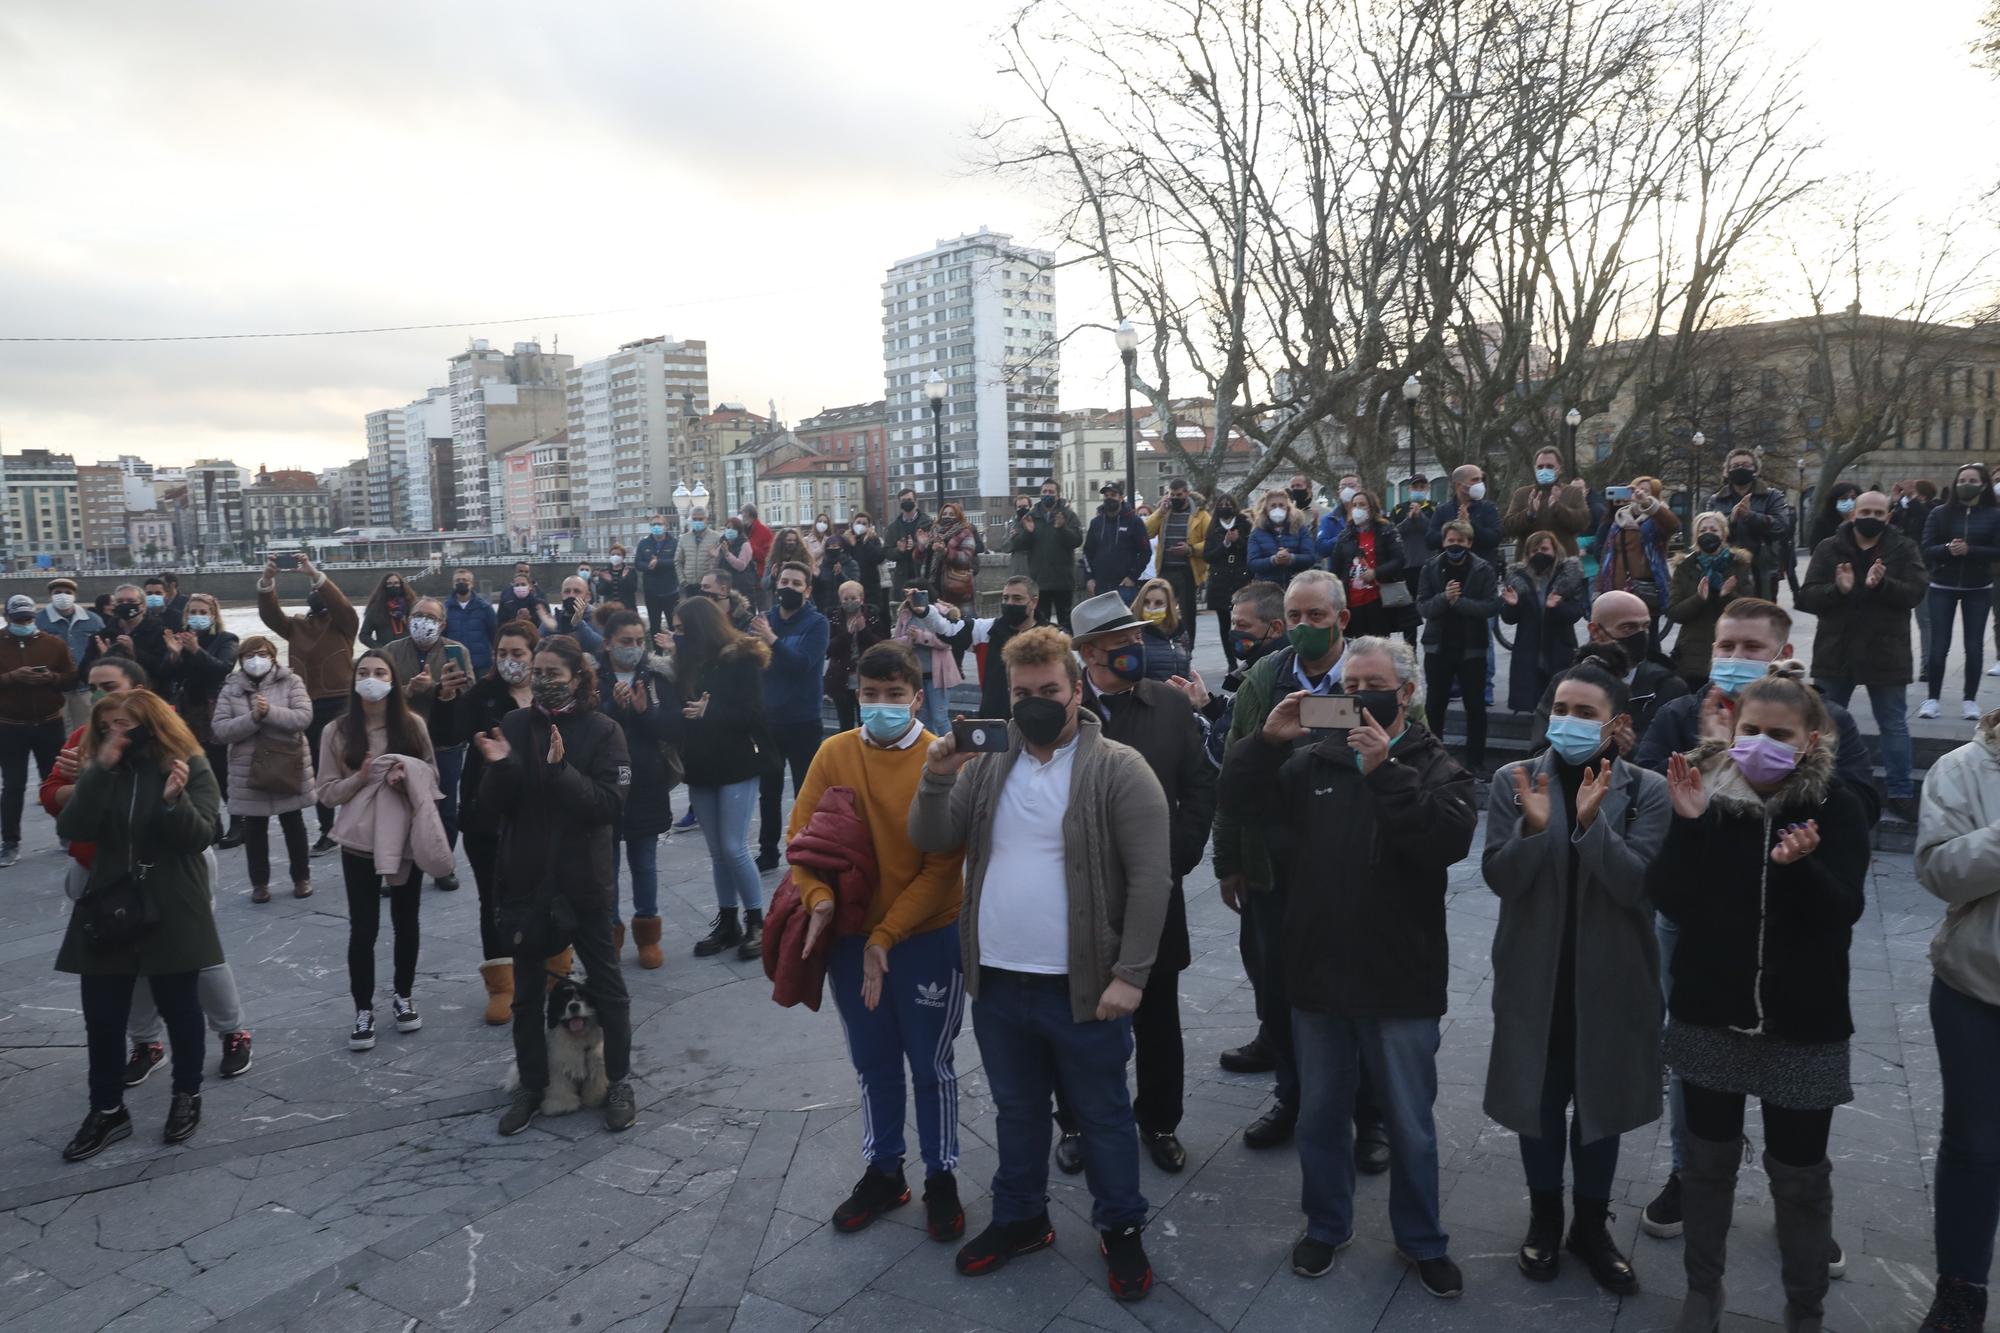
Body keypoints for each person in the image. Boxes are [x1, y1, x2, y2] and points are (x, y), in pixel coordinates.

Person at [909, 625, 1170, 1301]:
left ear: (1075, 689)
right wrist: (937, 777)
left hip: (1084, 987)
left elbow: (1151, 880)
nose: (1035, 703)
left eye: (1048, 690)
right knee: (1016, 1110)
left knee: (1105, 1114)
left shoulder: (1119, 768)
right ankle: (1022, 1216)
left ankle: (1121, 1228)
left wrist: (1131, 974)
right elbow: (934, 837)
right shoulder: (991, 764)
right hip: (998, 981)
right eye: (1022, 693)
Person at [1218, 635, 1477, 1298]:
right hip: (1320, 974)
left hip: (1401, 979)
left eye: (1373, 684)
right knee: (1320, 1116)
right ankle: (1325, 1225)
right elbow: (1243, 801)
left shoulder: (1439, 766)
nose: (1360, 697)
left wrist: (1385, 768)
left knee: (1411, 1125)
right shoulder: (1310, 762)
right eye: (1350, 685)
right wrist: (1266, 742)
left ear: (1407, 693)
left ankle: (1422, 1238)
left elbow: (1442, 841)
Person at [1649, 667, 1868, 1333]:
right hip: (1711, 1015)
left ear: (1808, 741)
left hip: (1803, 1026)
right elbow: (1670, 899)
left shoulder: (1836, 806)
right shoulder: (1705, 795)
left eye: (1779, 733)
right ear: (1732, 730)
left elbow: (1845, 911)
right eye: (1751, 731)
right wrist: (1688, 827)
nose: (1761, 744)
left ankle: (1805, 1308)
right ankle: (1702, 1291)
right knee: (1706, 1166)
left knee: (1800, 1178)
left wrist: (1800, 872)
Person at [1481, 661, 1670, 1293]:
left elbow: (1636, 885)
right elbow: (1501, 879)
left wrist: (1590, 825)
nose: (1567, 721)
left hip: (1611, 981)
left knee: (1600, 1109)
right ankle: (1545, 1217)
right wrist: (1536, 828)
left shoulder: (1645, 790)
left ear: (1616, 724)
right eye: (1561, 708)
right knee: (1537, 1103)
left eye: (1585, 713)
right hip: (1536, 977)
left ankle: (1590, 1225)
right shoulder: (1515, 779)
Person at [784, 640, 970, 1238]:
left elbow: (943, 865)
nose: (881, 706)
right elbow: (802, 840)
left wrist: (886, 937)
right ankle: (885, 1169)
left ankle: (942, 1174)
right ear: (855, 697)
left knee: (931, 1063)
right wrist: (818, 900)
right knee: (873, 1060)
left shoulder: (940, 760)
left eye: (894, 696)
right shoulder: (833, 752)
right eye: (870, 696)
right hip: (849, 939)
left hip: (926, 936)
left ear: (917, 698)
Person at [1210, 571, 1391, 1166]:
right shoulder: (1268, 676)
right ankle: (1290, 1096)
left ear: (1342, 618)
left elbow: (1415, 753)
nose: (1305, 627)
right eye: (1295, 617)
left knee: (1358, 990)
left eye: (1317, 616)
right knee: (1277, 987)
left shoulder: (1374, 675)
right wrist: (1230, 858)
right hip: (1276, 864)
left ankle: (1370, 1116)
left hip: (1353, 868)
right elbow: (1234, 774)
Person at [1054, 593, 1216, 1176]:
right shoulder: (1062, 714)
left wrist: (1178, 857)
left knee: (1157, 1016)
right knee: (1075, 1017)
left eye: (1137, 640)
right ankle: (1074, 1122)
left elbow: (1200, 787)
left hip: (1155, 892)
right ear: (1090, 654)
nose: (1138, 650)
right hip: (1079, 894)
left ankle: (1160, 1121)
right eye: (1123, 644)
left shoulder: (1170, 707)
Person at [43, 658, 255, 1089]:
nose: (102, 696)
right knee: (121, 961)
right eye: (94, 688)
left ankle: (230, 1031)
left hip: (171, 871)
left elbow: (199, 827)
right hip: (100, 869)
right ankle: (144, 1042)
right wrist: (92, 777)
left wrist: (152, 796)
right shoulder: (90, 739)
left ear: (139, 690)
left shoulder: (169, 745)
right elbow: (54, 798)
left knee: (194, 957)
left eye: (110, 686)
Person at [55, 688, 223, 1161]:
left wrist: (174, 802)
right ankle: (107, 1110)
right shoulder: (104, 767)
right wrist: (98, 770)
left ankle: (186, 1095)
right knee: (103, 1017)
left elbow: (202, 836)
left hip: (172, 900)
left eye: (125, 725)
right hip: (110, 903)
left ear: (151, 724)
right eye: (107, 725)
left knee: (180, 1009)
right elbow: (76, 827)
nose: (115, 733)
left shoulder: (187, 763)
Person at [484, 634, 637, 1137]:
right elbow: (489, 810)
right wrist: (502, 768)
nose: (545, 681)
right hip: (526, 878)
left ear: (578, 677)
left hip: (583, 880)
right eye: (539, 671)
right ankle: (532, 1084)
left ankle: (617, 1080)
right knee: (527, 995)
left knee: (609, 987)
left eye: (555, 673)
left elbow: (608, 806)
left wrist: (560, 770)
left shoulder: (604, 730)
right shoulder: (512, 725)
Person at [1913, 706, 2000, 1333]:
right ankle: (1961, 1289)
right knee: (1974, 1144)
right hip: (1976, 986)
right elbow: (1940, 871)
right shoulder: (1962, 768)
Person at [315, 650, 438, 1053]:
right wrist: (360, 779)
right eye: (364, 672)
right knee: (363, 926)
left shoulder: (413, 725)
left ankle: (403, 995)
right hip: (359, 840)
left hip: (404, 834)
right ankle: (363, 1008)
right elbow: (326, 792)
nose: (372, 679)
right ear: (353, 681)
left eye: (380, 672)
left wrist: (407, 779)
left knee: (407, 920)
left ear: (393, 679)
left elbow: (432, 776)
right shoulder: (336, 731)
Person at [1797, 490, 1927, 820]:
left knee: (1893, 724)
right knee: (1823, 722)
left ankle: (1900, 792)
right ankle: (1820, 784)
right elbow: (1808, 596)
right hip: (1835, 651)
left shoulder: (1903, 547)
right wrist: (1838, 590)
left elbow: (1915, 592)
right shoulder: (1829, 547)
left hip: (1886, 651)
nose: (1872, 517)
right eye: (1865, 511)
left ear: (1889, 516)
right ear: (1853, 514)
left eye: (1879, 512)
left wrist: (1883, 585)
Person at [667, 595, 771, 961]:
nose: (677, 636)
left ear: (699, 627)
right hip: (702, 763)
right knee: (716, 851)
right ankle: (728, 922)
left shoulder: (741, 659)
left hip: (736, 762)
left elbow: (755, 716)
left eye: (682, 629)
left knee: (733, 846)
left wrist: (711, 711)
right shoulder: (688, 662)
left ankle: (757, 921)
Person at [456, 621, 540, 1025]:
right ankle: (502, 983)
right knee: (493, 900)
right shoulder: (482, 696)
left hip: (539, 814)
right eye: (502, 653)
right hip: (486, 815)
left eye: (517, 653)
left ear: (534, 655)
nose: (509, 661)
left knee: (544, 893)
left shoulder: (548, 693)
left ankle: (551, 969)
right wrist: (440, 698)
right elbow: (449, 729)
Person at [257, 554, 358, 854]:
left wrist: (314, 573)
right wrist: (268, 579)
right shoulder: (296, 626)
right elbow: (270, 615)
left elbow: (341, 606)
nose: (315, 595)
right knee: (317, 771)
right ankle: (328, 830)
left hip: (341, 701)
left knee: (348, 765)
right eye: (312, 591)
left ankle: (356, 822)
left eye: (319, 590)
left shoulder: (344, 624)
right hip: (306, 705)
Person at [209, 637, 315, 903]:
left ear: (272, 656)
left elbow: (303, 717)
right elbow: (221, 730)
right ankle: (259, 883)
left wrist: (270, 713)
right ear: (241, 660)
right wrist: (252, 718)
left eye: (262, 654)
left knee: (293, 822)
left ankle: (301, 877)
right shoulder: (230, 689)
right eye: (250, 655)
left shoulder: (291, 681)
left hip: (285, 763)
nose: (256, 660)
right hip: (248, 768)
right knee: (254, 828)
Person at [595, 611, 673, 969]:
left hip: (646, 783)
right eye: (626, 642)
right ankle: (609, 932)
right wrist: (614, 706)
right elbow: (587, 727)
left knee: (644, 863)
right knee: (605, 867)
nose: (634, 648)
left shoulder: (656, 676)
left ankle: (648, 934)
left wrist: (644, 712)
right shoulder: (591, 677)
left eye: (640, 642)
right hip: (605, 783)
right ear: (608, 642)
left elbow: (670, 730)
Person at [382, 597, 473, 890]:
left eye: (431, 617)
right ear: (409, 619)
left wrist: (436, 689)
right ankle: (394, 865)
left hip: (445, 742)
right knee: (398, 806)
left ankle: (442, 865)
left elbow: (468, 690)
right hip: (403, 741)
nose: (424, 622)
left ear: (442, 624)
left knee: (445, 807)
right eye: (418, 615)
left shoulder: (456, 651)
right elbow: (378, 693)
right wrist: (409, 689)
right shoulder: (391, 651)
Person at [1530, 592, 1689, 756]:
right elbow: (1539, 751)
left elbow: (1672, 761)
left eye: (1645, 627)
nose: (1640, 636)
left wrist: (1629, 753)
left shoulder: (1667, 687)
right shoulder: (1564, 684)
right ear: (1596, 631)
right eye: (1628, 627)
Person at [753, 561, 830, 878]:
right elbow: (755, 665)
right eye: (784, 581)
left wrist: (772, 641)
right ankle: (768, 851)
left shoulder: (817, 623)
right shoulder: (764, 621)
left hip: (803, 721)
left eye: (796, 584)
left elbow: (802, 665)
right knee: (768, 791)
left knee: (805, 790)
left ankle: (807, 848)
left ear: (807, 590)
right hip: (769, 720)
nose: (788, 587)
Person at [1418, 520, 1502, 775]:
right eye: (1451, 541)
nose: (1456, 546)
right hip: (1438, 647)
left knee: (1475, 707)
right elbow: (1423, 607)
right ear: (1444, 542)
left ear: (1469, 543)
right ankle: (1433, 759)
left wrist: (1459, 602)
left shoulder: (1483, 568)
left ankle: (1475, 762)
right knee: (1435, 706)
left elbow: (1490, 606)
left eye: (1461, 541)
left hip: (1472, 648)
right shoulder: (1431, 567)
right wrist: (1444, 598)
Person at [0, 593, 77, 865]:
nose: (25, 622)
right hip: (10, 726)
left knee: (56, 781)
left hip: (49, 723)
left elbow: (71, 678)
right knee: (13, 786)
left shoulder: (54, 644)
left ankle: (67, 833)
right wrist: (11, 677)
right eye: (19, 619)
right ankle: (10, 842)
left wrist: (51, 678)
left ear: (35, 617)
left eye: (29, 618)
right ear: (8, 618)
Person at [1920, 462, 2000, 720]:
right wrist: (1947, 549)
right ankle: (1932, 698)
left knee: (1973, 646)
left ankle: (1970, 700)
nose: (1966, 484)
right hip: (1942, 584)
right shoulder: (1940, 513)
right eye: (1962, 479)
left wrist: (1971, 550)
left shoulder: (1994, 515)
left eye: (1973, 480)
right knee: (1938, 645)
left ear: (1984, 485)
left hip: (1978, 586)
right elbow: (1926, 547)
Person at [161, 592, 239, 845]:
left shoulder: (226, 639)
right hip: (188, 710)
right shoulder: (179, 639)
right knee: (196, 766)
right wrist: (174, 654)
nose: (197, 617)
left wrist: (196, 651)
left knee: (221, 767)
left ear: (213, 615)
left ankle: (239, 823)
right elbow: (166, 674)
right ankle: (211, 822)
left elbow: (222, 668)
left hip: (214, 707)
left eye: (202, 612)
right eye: (192, 612)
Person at [911, 577, 1038, 721]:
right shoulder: (986, 630)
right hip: (994, 718)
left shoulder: (1053, 637)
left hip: (1036, 717)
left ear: (1033, 602)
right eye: (1005, 598)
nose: (1009, 603)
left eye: (1017, 598)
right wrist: (926, 611)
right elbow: (949, 628)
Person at [1500, 531, 1587, 715]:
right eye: (1534, 550)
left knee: (1560, 704)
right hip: (1529, 651)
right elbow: (1508, 618)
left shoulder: (1567, 578)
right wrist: (1513, 605)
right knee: (1534, 706)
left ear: (1555, 551)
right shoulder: (1519, 578)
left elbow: (1577, 612)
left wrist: (1557, 606)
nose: (1539, 553)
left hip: (1559, 649)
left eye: (1544, 549)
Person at [1666, 513, 1753, 691]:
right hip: (1692, 657)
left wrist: (1727, 595)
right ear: (1696, 535)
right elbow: (1674, 612)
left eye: (1713, 529)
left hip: (1730, 653)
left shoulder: (1739, 564)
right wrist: (1699, 599)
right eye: (1703, 530)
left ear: (1723, 534)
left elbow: (1750, 610)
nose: (1708, 533)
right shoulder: (1685, 566)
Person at [1706, 448, 1795, 602]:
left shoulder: (1772, 496)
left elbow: (1781, 527)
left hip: (1763, 570)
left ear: (1755, 470)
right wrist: (1730, 521)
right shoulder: (1715, 500)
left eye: (1746, 465)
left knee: (1762, 615)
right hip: (1726, 568)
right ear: (1727, 471)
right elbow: (1706, 534)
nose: (1740, 468)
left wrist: (1750, 516)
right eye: (1735, 466)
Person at [1324, 489, 1411, 641]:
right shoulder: (1345, 535)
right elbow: (1336, 568)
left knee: (1378, 645)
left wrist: (1375, 572)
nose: (1357, 508)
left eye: (1362, 505)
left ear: (1371, 507)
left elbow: (1399, 560)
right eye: (1355, 505)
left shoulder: (1386, 530)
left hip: (1378, 600)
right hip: (1352, 602)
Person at [1593, 476, 1680, 611]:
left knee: (1646, 629)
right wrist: (1598, 590)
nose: (1639, 493)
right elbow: (1607, 556)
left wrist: (1646, 503)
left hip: (1646, 591)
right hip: (1618, 591)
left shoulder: (1658, 519)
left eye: (1645, 491)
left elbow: (1674, 526)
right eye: (1636, 489)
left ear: (1654, 496)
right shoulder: (1620, 519)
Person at [1144, 477, 1208, 649]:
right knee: (1162, 609)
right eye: (1172, 495)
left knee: (1187, 613)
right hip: (1165, 568)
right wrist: (1159, 512)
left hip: (1187, 570)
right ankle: (1163, 644)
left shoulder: (1200, 515)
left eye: (1179, 495)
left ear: (1186, 493)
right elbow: (1147, 532)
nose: (1175, 498)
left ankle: (1188, 647)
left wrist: (1191, 549)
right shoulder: (1165, 513)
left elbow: (1210, 541)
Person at [1014, 482, 1085, 629]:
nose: (1047, 494)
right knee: (1041, 623)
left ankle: (1066, 649)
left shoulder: (1068, 515)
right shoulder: (1031, 516)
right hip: (1040, 581)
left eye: (1051, 492)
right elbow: (1019, 545)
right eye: (1044, 491)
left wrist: (1062, 528)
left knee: (1066, 623)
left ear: (1058, 496)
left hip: (1063, 580)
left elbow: (1077, 540)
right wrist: (1028, 532)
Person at [37, 577, 103, 731]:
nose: (63, 595)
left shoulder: (92, 620)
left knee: (86, 731)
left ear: (75, 595)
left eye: (67, 592)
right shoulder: (39, 621)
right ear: (50, 595)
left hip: (84, 687)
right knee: (57, 732)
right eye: (58, 592)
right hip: (54, 688)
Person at [894, 591, 962, 738]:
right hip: (916, 675)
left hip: (939, 675)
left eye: (916, 594)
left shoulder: (940, 613)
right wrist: (909, 639)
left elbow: (947, 641)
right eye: (908, 594)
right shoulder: (905, 614)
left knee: (940, 718)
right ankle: (929, 751)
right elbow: (896, 641)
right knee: (923, 719)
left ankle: (953, 748)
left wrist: (920, 636)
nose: (911, 598)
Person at [1504, 448, 1594, 558]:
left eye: (1550, 466)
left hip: (1563, 563)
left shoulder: (1573, 492)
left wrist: (1558, 509)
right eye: (1540, 467)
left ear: (1559, 469)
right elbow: (1509, 527)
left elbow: (1583, 523)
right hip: (1528, 564)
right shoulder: (1522, 493)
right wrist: (1529, 514)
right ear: (1535, 469)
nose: (1544, 470)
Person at [825, 581, 889, 732]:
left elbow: (882, 646)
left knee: (866, 723)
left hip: (867, 676)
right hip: (841, 678)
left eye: (853, 598)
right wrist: (847, 634)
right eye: (845, 599)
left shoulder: (872, 615)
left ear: (861, 598)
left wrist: (863, 630)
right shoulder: (834, 618)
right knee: (845, 723)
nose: (849, 602)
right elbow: (828, 648)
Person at [1203, 492, 1255, 668]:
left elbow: (1251, 549)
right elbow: (1208, 556)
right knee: (1225, 625)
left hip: (1240, 579)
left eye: (1229, 504)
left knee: (1244, 622)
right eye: (1222, 504)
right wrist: (1224, 544)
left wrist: (1237, 541)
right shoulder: (1213, 527)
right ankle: (1231, 663)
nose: (1225, 507)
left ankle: (1247, 657)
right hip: (1220, 581)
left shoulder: (1244, 524)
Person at [1084, 482, 1152, 602]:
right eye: (1106, 495)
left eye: (1113, 495)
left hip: (1124, 586)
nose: (1109, 498)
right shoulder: (1096, 523)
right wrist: (1089, 578)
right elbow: (1087, 553)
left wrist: (1132, 576)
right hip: (1100, 586)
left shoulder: (1134, 522)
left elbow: (1145, 552)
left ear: (1121, 498)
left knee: (1126, 621)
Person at [1248, 489, 1317, 589]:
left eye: (1281, 505)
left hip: (1296, 587)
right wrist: (1273, 560)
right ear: (1266, 509)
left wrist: (1291, 558)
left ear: (1288, 508)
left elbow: (1310, 557)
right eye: (1273, 506)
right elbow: (1252, 563)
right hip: (1268, 589)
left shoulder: (1300, 529)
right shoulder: (1257, 533)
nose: (1277, 509)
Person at [1130, 578, 1192, 681]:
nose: (1151, 607)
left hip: (1178, 695)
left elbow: (1186, 672)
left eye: (1158, 603)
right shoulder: (1133, 636)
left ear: (1169, 606)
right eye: (1146, 602)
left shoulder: (1179, 634)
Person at [445, 567, 499, 674]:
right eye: (458, 581)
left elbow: (494, 634)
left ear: (472, 583)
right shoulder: (445, 608)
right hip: (455, 663)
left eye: (465, 580)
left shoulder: (485, 608)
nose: (461, 583)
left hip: (481, 664)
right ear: (453, 584)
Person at [925, 502, 980, 606]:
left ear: (958, 516)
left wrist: (945, 552)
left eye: (951, 514)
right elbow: (923, 559)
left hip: (955, 585)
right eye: (944, 514)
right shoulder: (934, 532)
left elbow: (965, 558)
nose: (947, 517)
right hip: (934, 585)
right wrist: (921, 546)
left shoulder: (965, 533)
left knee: (959, 619)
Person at [639, 515, 682, 635]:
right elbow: (638, 563)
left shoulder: (674, 543)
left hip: (670, 590)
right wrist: (648, 566)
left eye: (659, 524)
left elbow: (677, 561)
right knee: (654, 624)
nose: (656, 527)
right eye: (653, 525)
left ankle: (675, 650)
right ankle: (657, 651)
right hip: (651, 591)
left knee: (674, 623)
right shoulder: (644, 543)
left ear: (666, 526)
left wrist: (659, 563)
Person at [813, 513, 862, 614]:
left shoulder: (851, 564)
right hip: (826, 609)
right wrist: (814, 577)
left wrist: (840, 574)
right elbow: (817, 591)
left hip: (846, 609)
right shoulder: (823, 565)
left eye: (835, 546)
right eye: (829, 547)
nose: (832, 549)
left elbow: (854, 586)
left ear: (842, 548)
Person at [887, 489, 933, 594]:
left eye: (909, 499)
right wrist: (899, 550)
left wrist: (917, 546)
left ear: (915, 501)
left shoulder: (927, 522)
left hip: (923, 572)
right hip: (902, 576)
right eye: (903, 500)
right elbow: (887, 551)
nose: (906, 502)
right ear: (899, 503)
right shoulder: (893, 527)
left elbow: (933, 545)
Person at [359, 571, 417, 650]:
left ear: (401, 585)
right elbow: (364, 635)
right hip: (386, 655)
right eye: (389, 584)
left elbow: (420, 630)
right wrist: (380, 649)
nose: (393, 586)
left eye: (396, 583)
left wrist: (406, 621)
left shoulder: (412, 606)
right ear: (384, 586)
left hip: (409, 652)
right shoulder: (376, 609)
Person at [846, 512, 889, 620]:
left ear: (869, 526)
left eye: (864, 523)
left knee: (873, 614)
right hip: (853, 585)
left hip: (871, 586)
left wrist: (866, 542)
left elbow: (878, 558)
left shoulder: (874, 540)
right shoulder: (847, 539)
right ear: (853, 524)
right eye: (858, 522)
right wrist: (852, 545)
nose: (860, 525)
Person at [716, 514, 762, 605]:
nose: (729, 530)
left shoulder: (745, 544)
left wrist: (727, 554)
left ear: (738, 530)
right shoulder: (723, 543)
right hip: (727, 586)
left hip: (743, 587)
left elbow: (741, 566)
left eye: (732, 528)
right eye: (727, 528)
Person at [1804, 480, 1862, 551]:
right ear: (1834, 501)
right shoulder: (1823, 522)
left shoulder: (1863, 521)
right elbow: (1815, 549)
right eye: (1843, 498)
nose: (1849, 502)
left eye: (1853, 498)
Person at [497, 562, 549, 627]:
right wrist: (516, 621)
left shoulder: (539, 593)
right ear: (514, 573)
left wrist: (530, 618)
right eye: (520, 571)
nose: (524, 574)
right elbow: (500, 620)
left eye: (526, 572)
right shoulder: (506, 593)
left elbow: (546, 621)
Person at [596, 544, 640, 613]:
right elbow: (601, 591)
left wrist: (624, 578)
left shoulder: (630, 571)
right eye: (613, 554)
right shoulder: (605, 571)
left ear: (623, 557)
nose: (615, 556)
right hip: (609, 609)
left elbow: (633, 589)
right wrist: (608, 582)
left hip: (627, 609)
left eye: (618, 554)